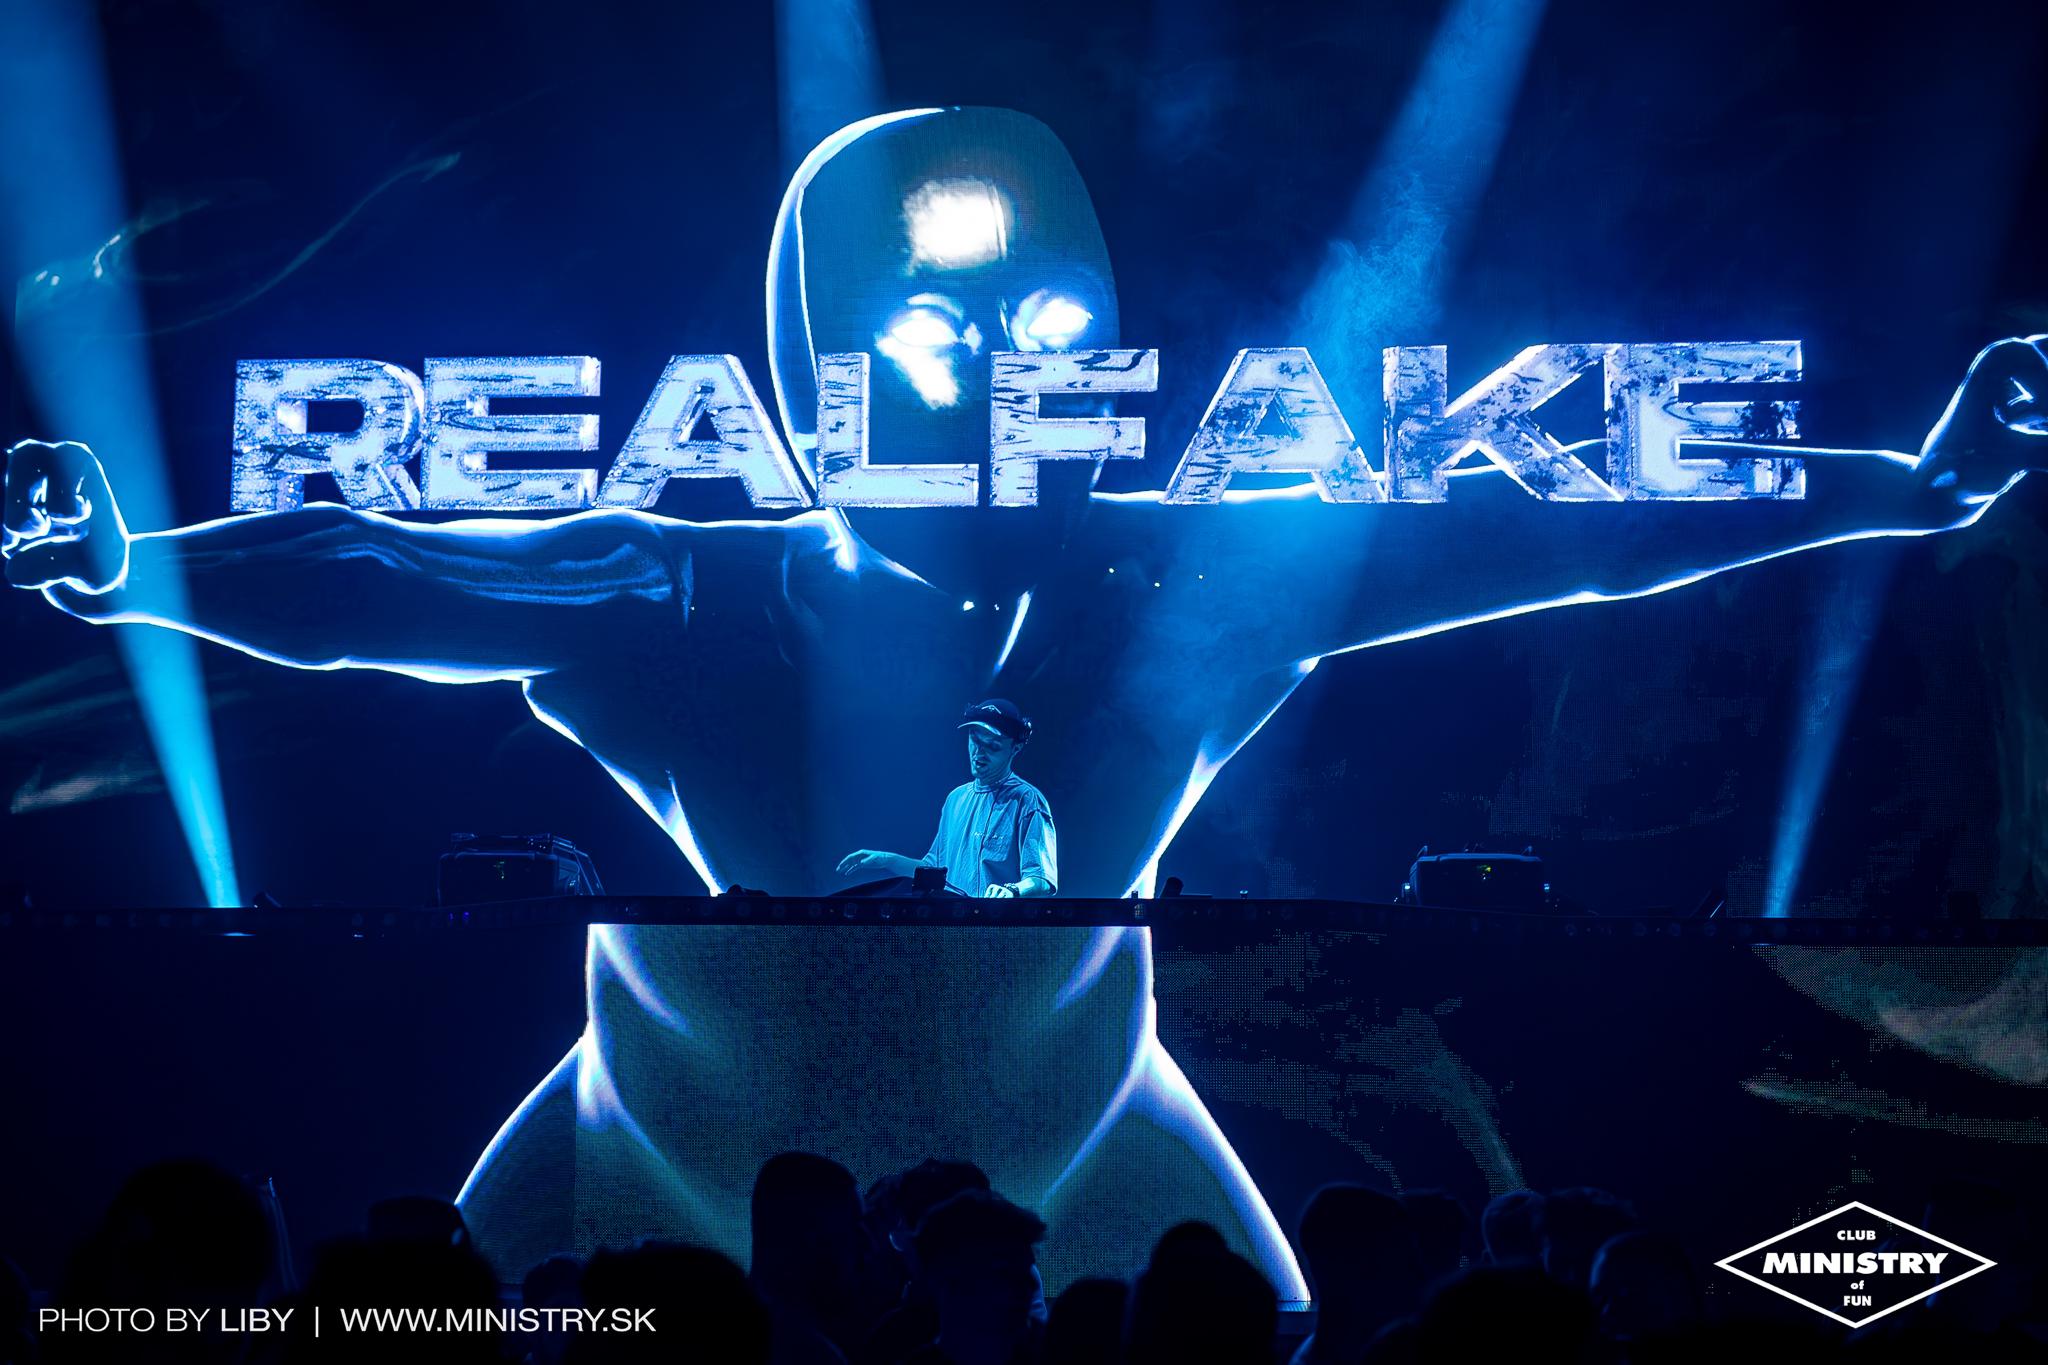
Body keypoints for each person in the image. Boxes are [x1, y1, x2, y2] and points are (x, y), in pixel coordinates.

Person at [7, 107, 2046, 1295]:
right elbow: (376, 565)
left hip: (1082, 1137)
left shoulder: (1180, 580)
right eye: (927, 330)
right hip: (653, 1146)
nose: (994, 367)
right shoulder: (684, 593)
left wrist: (1903, 481)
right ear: (815, 351)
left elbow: (1562, 525)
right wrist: (128, 565)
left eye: (1045, 318)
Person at [838, 700, 1057, 898]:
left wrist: (1013, 890)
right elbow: (933, 870)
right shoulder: (955, 799)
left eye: (993, 746)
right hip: (954, 925)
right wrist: (886, 859)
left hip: (997, 927)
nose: (979, 753)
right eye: (975, 740)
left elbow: (1042, 879)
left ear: (1015, 748)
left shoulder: (1027, 800)